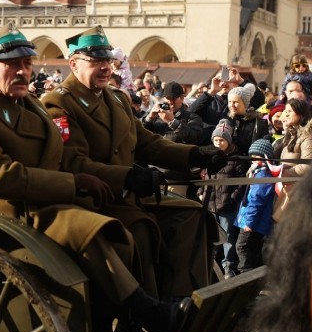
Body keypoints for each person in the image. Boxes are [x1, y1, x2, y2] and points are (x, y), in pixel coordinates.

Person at [0, 23, 190, 332]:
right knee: (92, 232)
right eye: (12, 65)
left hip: (45, 199)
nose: (22, 71)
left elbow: (65, 153)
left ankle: (109, 331)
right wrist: (73, 183)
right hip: (9, 210)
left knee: (124, 233)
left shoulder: (29, 104)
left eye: (27, 63)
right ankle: (145, 312)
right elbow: (0, 178)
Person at [42, 25, 227, 299]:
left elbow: (147, 143)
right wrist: (127, 178)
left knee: (192, 214)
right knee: (141, 230)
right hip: (93, 199)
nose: (105, 67)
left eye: (107, 60)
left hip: (127, 196)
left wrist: (194, 154)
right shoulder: (58, 103)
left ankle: (188, 299)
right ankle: (149, 316)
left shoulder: (116, 99)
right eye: (96, 61)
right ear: (74, 64)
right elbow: (73, 163)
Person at [202, 119, 245, 278]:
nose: (218, 143)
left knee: (227, 237)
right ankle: (211, 264)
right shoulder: (209, 156)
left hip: (226, 206)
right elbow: (205, 176)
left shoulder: (235, 160)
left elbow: (241, 184)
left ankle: (228, 266)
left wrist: (232, 199)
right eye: (216, 140)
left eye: (222, 140)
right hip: (210, 203)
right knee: (211, 235)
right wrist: (202, 191)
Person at [272, 98, 312, 220]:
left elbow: (309, 164)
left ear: (300, 114)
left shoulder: (309, 135)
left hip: (298, 192)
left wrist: (285, 173)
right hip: (287, 189)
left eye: (290, 111)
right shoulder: (292, 134)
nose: (286, 113)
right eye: (286, 110)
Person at [234, 138, 277, 272]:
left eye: (256, 156)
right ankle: (256, 281)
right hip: (252, 220)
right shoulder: (256, 172)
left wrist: (249, 223)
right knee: (253, 251)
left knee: (242, 247)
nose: (252, 159)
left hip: (253, 222)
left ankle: (246, 279)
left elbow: (256, 201)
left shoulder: (263, 175)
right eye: (251, 155)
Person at [143, 81, 204, 145]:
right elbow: (140, 132)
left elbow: (194, 139)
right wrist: (149, 118)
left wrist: (172, 122)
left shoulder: (192, 118)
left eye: (173, 99)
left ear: (182, 99)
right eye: (168, 98)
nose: (170, 102)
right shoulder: (157, 115)